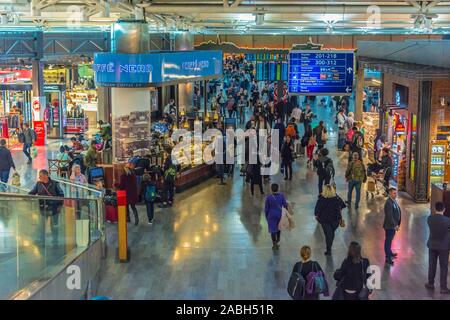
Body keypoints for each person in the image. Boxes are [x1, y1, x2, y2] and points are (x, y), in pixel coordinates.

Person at [29, 170, 64, 244]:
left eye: (40, 176)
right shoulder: (38, 184)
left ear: (46, 176)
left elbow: (61, 195)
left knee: (54, 225)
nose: (39, 177)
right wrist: (28, 196)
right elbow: (32, 192)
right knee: (41, 225)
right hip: (43, 208)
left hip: (54, 208)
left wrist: (60, 205)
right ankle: (42, 240)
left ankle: (55, 241)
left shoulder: (55, 184)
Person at [425, 201, 450, 294]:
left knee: (432, 265)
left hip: (432, 245)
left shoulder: (429, 219)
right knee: (443, 267)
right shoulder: (447, 220)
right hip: (444, 246)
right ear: (444, 209)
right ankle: (443, 288)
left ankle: (430, 283)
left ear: (435, 209)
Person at [315, 185, 346, 255]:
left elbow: (316, 211)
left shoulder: (321, 199)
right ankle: (329, 248)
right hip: (336, 220)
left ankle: (329, 250)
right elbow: (343, 205)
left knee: (328, 235)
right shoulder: (336, 199)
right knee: (331, 233)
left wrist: (317, 215)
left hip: (325, 221)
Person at [264, 183, 288, 249]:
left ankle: (274, 242)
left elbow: (266, 209)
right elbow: (285, 205)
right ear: (278, 189)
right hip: (279, 214)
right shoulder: (281, 196)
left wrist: (267, 216)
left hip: (271, 215)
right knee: (279, 227)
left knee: (272, 229)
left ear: (271, 189)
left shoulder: (268, 198)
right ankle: (278, 238)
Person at [384, 187, 401, 265]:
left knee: (390, 240)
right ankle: (387, 258)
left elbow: (397, 211)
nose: (396, 194)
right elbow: (389, 216)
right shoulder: (388, 203)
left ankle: (390, 252)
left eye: (396, 193)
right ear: (390, 193)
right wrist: (395, 225)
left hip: (393, 226)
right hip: (389, 226)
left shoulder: (393, 201)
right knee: (388, 241)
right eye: (394, 193)